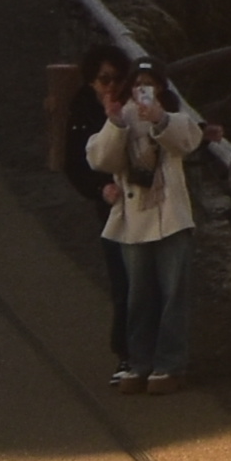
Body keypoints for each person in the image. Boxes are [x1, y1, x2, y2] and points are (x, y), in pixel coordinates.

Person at [84, 58, 213, 391]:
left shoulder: (174, 116)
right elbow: (100, 159)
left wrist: (158, 118)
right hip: (133, 220)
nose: (143, 91)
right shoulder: (122, 116)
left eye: (150, 84)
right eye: (138, 84)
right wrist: (115, 123)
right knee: (138, 295)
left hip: (171, 218)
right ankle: (139, 364)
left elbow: (188, 140)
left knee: (173, 294)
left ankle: (170, 365)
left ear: (160, 88)